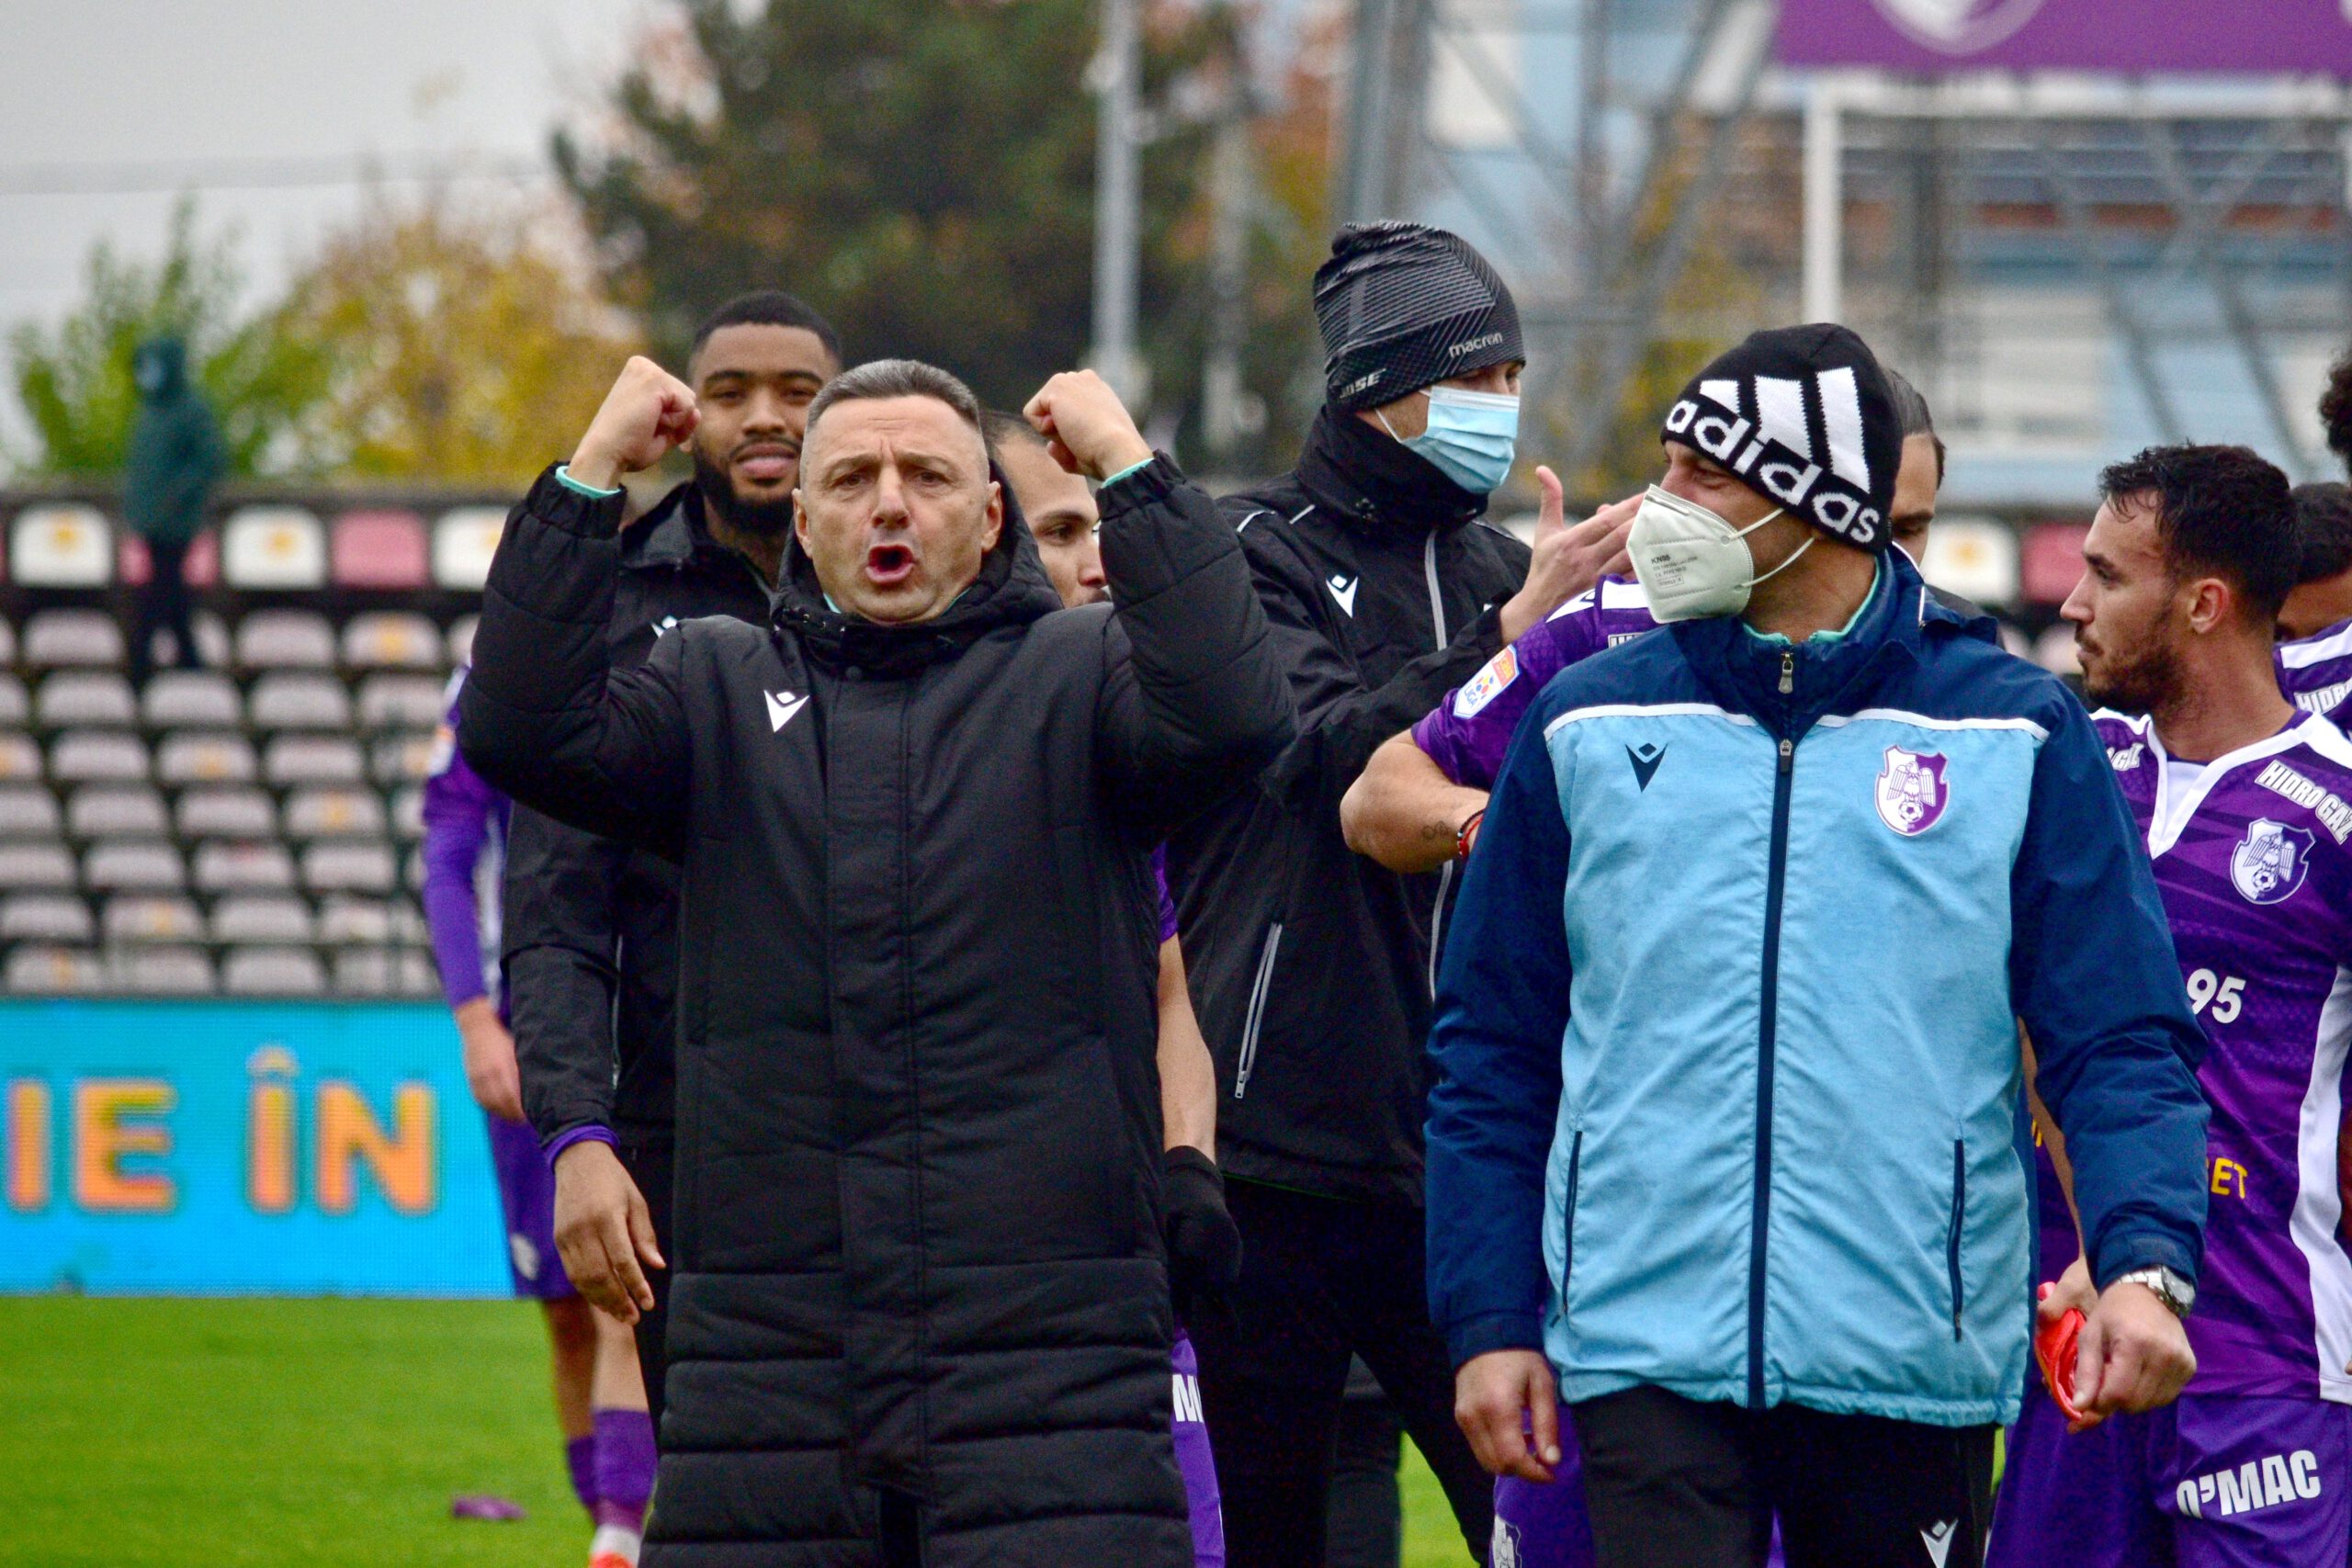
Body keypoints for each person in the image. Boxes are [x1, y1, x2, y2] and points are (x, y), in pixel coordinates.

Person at [456, 355, 1292, 1563]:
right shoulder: (711, 684)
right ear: (803, 522)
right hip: (771, 1367)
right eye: (849, 479)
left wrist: (1132, 470)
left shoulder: (1084, 672)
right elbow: (521, 730)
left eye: (927, 476)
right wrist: (588, 481)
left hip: (1053, 1360)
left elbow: (1238, 712)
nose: (888, 502)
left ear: (991, 517)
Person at [1425, 322, 2211, 1568]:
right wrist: (1486, 1314)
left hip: (1908, 1357)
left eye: (1702, 476)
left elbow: (2116, 1038)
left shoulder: (2013, 730)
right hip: (1641, 1351)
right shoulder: (1585, 718)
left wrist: (2144, 1264)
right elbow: (1491, 1046)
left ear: (1820, 505)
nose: (1662, 505)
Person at [1168, 218, 1616, 1568]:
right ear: (1377, 389)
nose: (1501, 406)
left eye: (1512, 377)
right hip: (1275, 1153)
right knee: (1269, 1535)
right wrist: (1510, 642)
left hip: (1468, 1145)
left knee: (1535, 1521)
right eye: (1473, 378)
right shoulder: (1244, 549)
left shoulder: (1502, 570)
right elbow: (1321, 759)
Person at [1989, 444, 2352, 1568]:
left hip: (2266, 1366)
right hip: (2060, 1355)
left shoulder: (2336, 807)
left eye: (2106, 575)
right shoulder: (2059, 772)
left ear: (2202, 604)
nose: (2073, 602)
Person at [502, 290, 841, 1436]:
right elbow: (554, 903)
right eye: (731, 392)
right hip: (688, 1135)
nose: (766, 417)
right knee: (726, 1482)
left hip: (896, 1131)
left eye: (799, 393)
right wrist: (575, 1133)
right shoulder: (613, 595)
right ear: (687, 417)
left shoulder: (909, 589)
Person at [1341, 364, 1956, 882]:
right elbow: (1376, 796)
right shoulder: (1605, 631)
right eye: (1857, 524)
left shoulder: (1972, 679)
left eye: (1908, 529)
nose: (1880, 556)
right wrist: (1489, 826)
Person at [986, 407, 1237, 1567]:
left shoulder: (1122, 733)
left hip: (1115, 1256)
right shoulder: (877, 731)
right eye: (1057, 531)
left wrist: (1188, 1163)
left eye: (1101, 528)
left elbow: (1169, 982)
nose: (1094, 560)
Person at [422, 675, 654, 1568]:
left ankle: (621, 1536)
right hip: (533, 1024)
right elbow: (449, 849)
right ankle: (610, 1524)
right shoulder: (495, 677)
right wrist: (475, 1018)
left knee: (624, 1295)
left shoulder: (678, 635)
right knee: (563, 1309)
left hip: (648, 1013)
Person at [122, 335, 225, 682]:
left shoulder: (191, 411)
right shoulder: (150, 412)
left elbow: (210, 460)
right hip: (151, 523)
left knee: (162, 590)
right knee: (168, 592)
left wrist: (176, 496)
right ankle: (186, 660)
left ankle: (143, 660)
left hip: (176, 525)